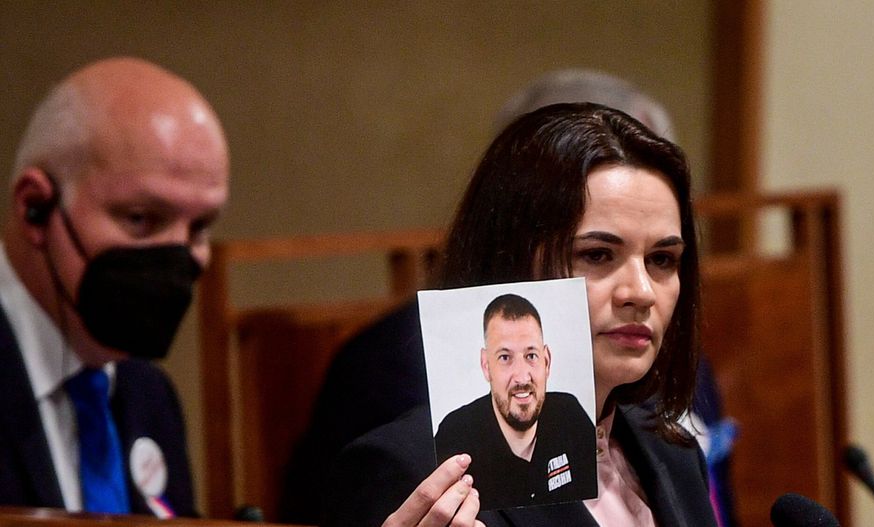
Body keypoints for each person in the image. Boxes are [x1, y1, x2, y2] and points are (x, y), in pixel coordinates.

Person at [279, 69, 691, 525]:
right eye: (597, 255)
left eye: (662, 260)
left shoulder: (671, 450)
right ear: (513, 261)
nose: (641, 292)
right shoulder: (412, 469)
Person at [0, 57, 229, 517]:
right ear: (35, 207)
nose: (178, 255)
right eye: (142, 218)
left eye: (200, 226)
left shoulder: (148, 394)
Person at [433, 293, 596, 510]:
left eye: (531, 356)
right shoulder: (455, 437)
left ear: (546, 361)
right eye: (505, 357)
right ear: (485, 366)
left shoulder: (571, 416)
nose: (521, 377)